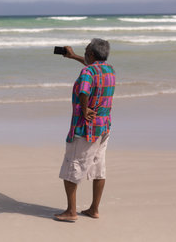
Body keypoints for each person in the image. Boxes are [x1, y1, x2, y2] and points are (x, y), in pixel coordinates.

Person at [54, 38, 115, 222]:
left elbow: (84, 91)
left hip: (85, 129)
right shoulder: (109, 70)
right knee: (99, 168)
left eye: (86, 50)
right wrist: (73, 57)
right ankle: (93, 209)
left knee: (73, 167)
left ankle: (71, 212)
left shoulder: (88, 72)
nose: (85, 52)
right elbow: (93, 68)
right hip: (103, 127)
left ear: (91, 54)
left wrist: (85, 107)